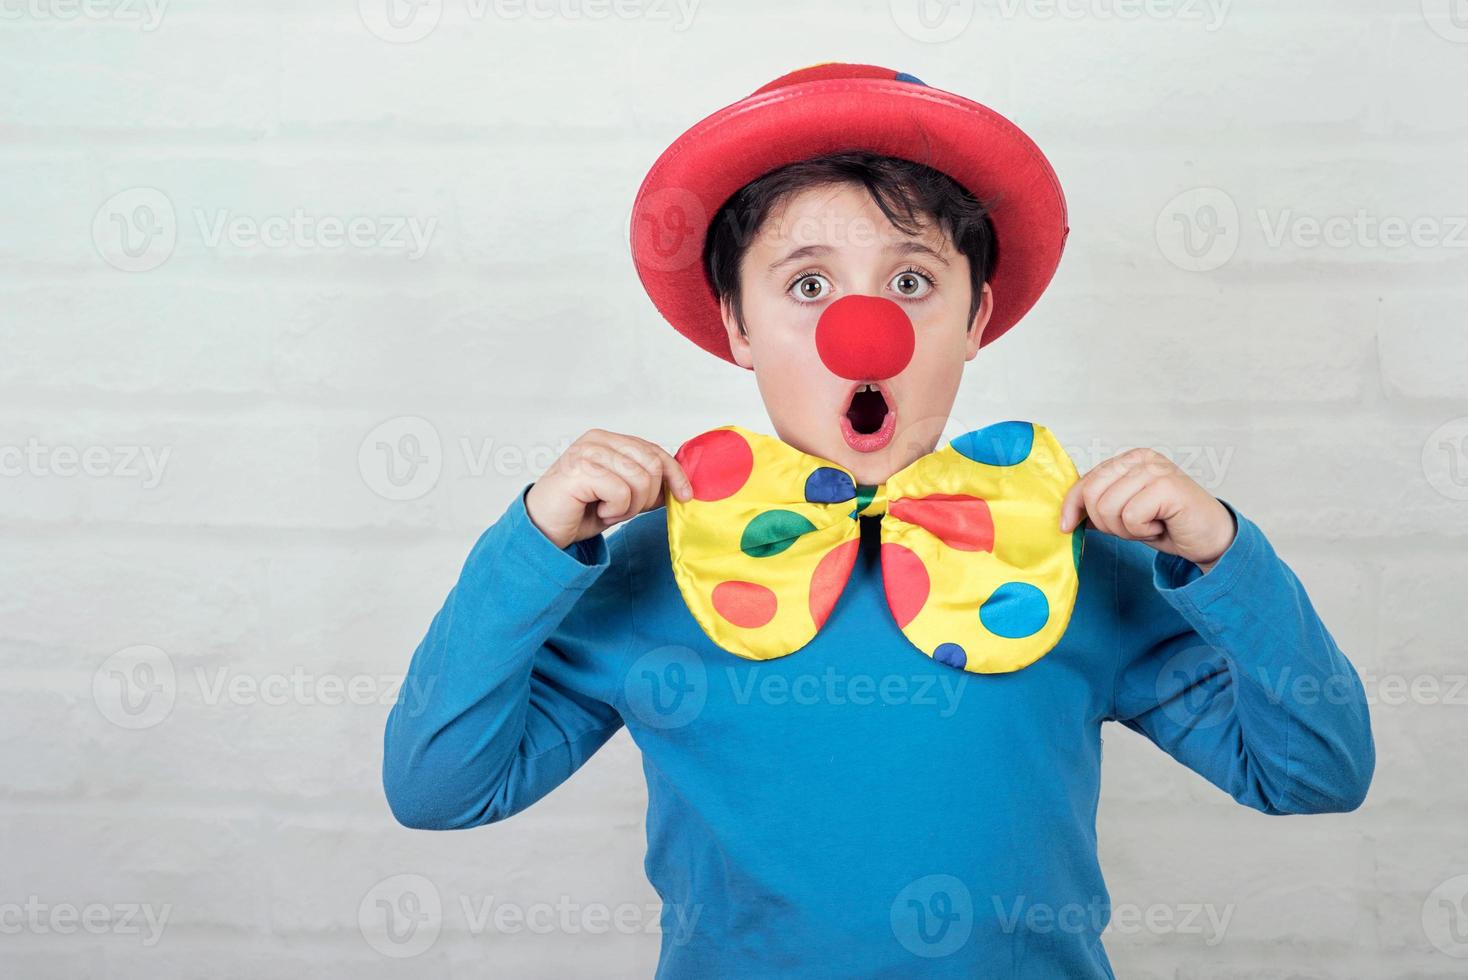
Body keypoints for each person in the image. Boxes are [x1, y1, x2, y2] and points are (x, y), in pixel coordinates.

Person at [382, 62, 1375, 978]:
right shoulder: (653, 565)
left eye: (911, 282)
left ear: (977, 315)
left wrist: (1223, 555)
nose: (867, 329)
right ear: (734, 323)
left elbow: (1315, 773)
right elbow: (437, 788)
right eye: (806, 284)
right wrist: (529, 544)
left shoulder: (1066, 553)